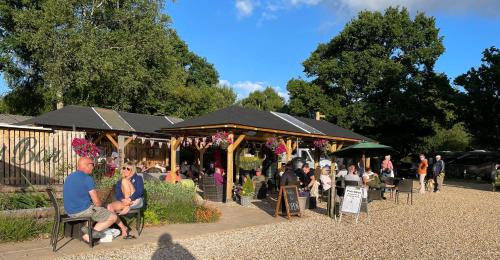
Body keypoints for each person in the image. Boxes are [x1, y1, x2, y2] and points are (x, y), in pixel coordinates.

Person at [63, 157, 123, 243]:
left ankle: (88, 227)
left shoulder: (70, 177)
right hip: (80, 212)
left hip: (69, 211)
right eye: (92, 164)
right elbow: (96, 202)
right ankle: (88, 235)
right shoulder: (87, 178)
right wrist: (103, 207)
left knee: (95, 210)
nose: (93, 167)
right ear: (87, 165)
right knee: (112, 217)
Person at [107, 162, 144, 239]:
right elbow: (118, 194)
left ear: (132, 170)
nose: (125, 170)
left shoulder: (138, 178)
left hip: (136, 200)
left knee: (124, 181)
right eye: (124, 168)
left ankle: (126, 206)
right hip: (125, 202)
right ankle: (123, 228)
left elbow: (139, 191)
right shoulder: (119, 182)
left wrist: (129, 200)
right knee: (110, 207)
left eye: (128, 169)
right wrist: (122, 199)